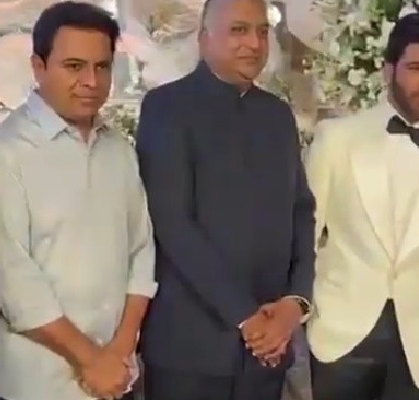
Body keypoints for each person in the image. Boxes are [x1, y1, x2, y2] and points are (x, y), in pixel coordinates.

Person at [135, 0, 316, 399]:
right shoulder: (167, 108)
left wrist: (295, 302)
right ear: (204, 39)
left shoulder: (277, 115)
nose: (254, 43)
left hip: (268, 347)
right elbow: (172, 222)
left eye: (262, 31)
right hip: (191, 348)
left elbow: (301, 211)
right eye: (238, 30)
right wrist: (246, 317)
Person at [305, 11, 419, 400]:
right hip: (340, 333)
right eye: (417, 68)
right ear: (388, 70)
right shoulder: (336, 139)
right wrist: (295, 311)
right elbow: (304, 233)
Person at [0, 2, 158, 400]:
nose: (90, 81)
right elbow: (14, 284)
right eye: (74, 66)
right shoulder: (5, 153)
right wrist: (91, 360)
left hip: (118, 376)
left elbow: (141, 251)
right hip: (37, 384)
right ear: (38, 66)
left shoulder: (118, 150)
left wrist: (119, 351)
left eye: (102, 67)